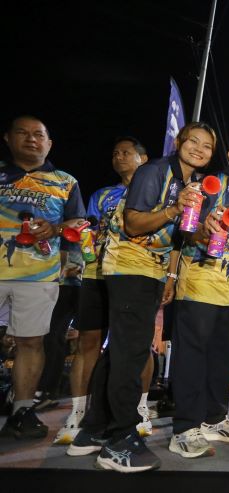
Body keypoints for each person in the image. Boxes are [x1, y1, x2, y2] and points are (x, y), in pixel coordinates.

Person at [68, 122, 216, 472]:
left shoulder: (192, 185)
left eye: (207, 146)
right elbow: (133, 224)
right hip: (130, 267)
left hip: (152, 270)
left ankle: (93, 431)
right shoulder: (155, 171)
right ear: (178, 142)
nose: (199, 149)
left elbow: (183, 236)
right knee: (131, 354)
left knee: (119, 352)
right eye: (193, 141)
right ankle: (120, 440)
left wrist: (206, 230)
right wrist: (174, 209)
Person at [168, 129, 229, 458]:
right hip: (199, 283)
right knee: (192, 357)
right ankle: (185, 428)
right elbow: (186, 230)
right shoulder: (211, 184)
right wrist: (201, 232)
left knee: (223, 357)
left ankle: (213, 418)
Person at [53, 136, 149, 445]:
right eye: (115, 152)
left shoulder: (154, 194)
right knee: (88, 342)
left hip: (137, 276)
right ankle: (79, 412)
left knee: (138, 344)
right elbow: (88, 229)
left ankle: (140, 408)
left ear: (144, 159)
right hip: (97, 273)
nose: (119, 157)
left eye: (127, 152)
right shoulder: (103, 195)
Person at [0, 116, 85, 439]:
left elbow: (79, 223)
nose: (31, 139)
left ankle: (21, 411)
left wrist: (57, 228)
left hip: (39, 276)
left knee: (31, 342)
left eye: (39, 135)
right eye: (22, 133)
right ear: (8, 138)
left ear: (49, 144)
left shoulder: (65, 182)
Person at [34, 245, 84, 411]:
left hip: (72, 284)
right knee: (51, 337)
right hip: (59, 282)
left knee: (53, 337)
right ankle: (47, 391)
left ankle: (47, 391)